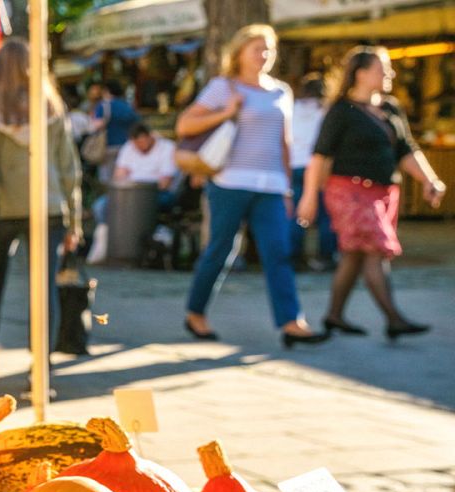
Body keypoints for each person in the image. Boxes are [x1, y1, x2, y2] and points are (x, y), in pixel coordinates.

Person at [178, 24, 327, 347]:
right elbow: (185, 124)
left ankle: (291, 321)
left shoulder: (281, 92)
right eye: (257, 48)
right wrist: (226, 112)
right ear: (240, 53)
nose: (264, 55)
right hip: (229, 182)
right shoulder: (224, 87)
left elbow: (284, 143)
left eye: (269, 49)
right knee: (221, 251)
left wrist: (288, 188)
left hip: (271, 184)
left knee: (278, 251)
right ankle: (196, 313)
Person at [298, 46, 446, 339]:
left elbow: (406, 150)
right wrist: (309, 196)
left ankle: (334, 316)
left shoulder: (390, 108)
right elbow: (319, 157)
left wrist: (429, 180)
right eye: (383, 68)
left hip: (384, 192)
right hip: (350, 191)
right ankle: (394, 319)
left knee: (353, 255)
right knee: (375, 250)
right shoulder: (341, 111)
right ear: (361, 74)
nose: (389, 74)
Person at [0, 38, 83, 378]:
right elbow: (69, 168)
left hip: (4, 209)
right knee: (43, 288)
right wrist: (74, 220)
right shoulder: (51, 110)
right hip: (48, 207)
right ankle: (42, 363)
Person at [289, 75, 337, 271]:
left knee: (297, 213)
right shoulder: (327, 111)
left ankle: (294, 256)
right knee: (326, 214)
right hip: (319, 166)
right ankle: (326, 256)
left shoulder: (292, 108)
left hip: (294, 164)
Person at [94, 122, 182, 222]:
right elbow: (118, 176)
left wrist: (135, 185)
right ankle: (109, 234)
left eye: (141, 142)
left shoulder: (168, 148)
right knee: (101, 206)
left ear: (149, 136)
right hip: (128, 192)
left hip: (156, 193)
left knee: (135, 206)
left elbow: (165, 183)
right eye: (136, 143)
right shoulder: (129, 147)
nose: (138, 146)